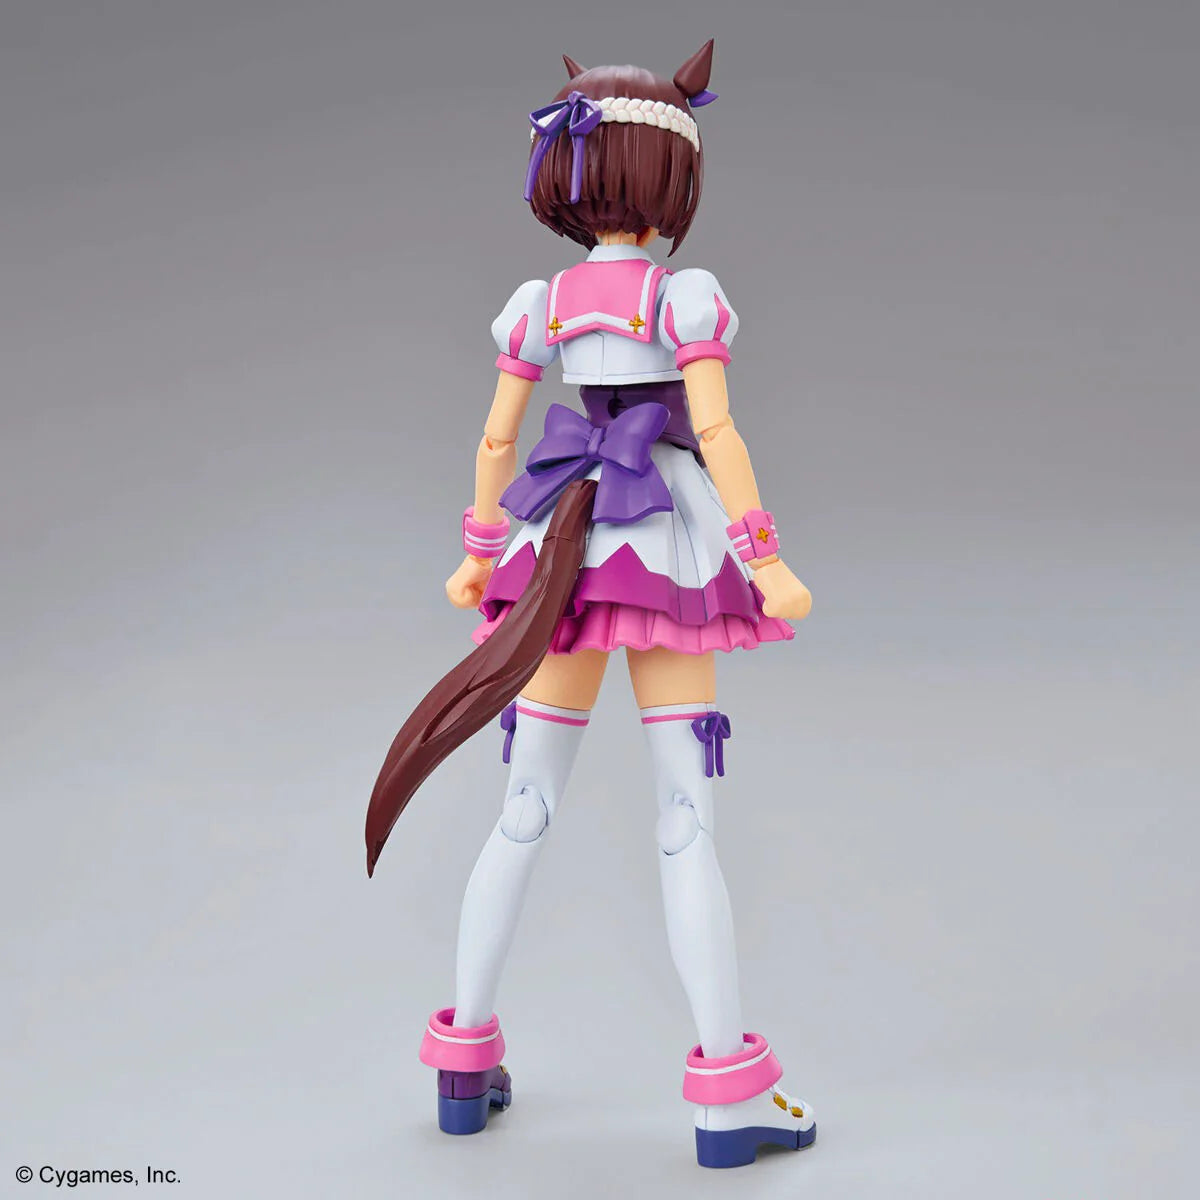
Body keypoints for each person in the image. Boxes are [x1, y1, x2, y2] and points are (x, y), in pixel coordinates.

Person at [366, 40, 816, 1169]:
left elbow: (497, 439)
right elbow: (717, 432)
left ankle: (461, 1062)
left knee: (522, 807)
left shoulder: (544, 303)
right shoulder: (681, 295)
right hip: (661, 547)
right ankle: (727, 1098)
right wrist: (764, 559)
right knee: (685, 817)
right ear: (672, 177)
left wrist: (480, 553)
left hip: (559, 542)